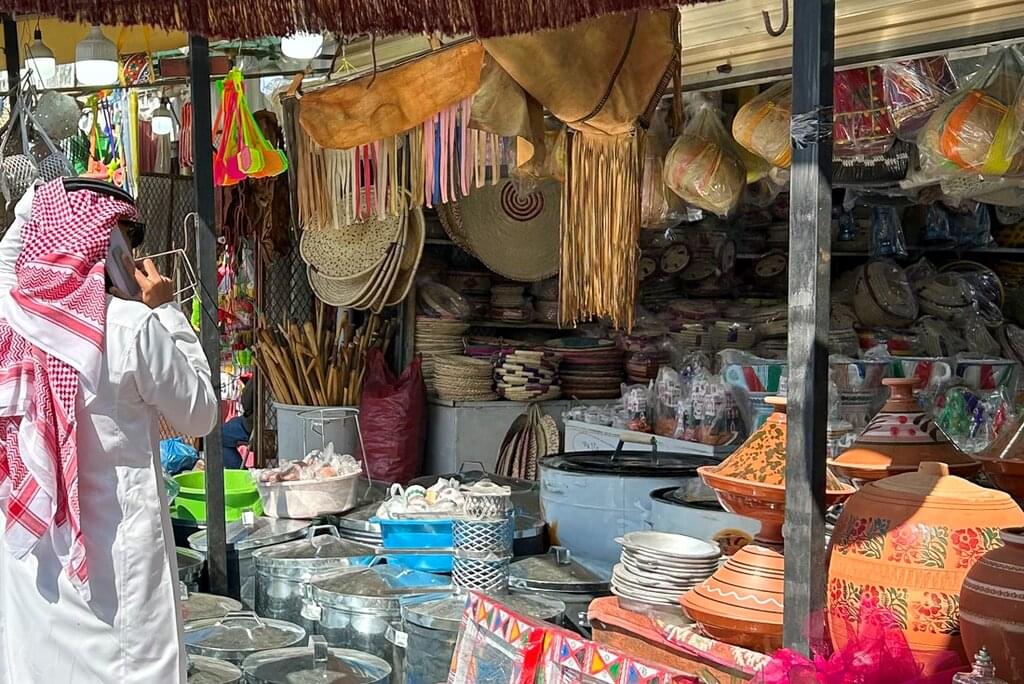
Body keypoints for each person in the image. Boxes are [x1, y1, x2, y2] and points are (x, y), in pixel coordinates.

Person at [0, 179, 219, 683]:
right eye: (121, 243)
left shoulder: (14, 321)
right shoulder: (130, 327)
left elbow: (10, 254)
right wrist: (166, 310)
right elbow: (202, 414)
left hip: (39, 565)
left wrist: (44, 199)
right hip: (117, 566)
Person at [223, 377, 254, 469]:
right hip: (274, 425)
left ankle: (240, 473)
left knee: (218, 437)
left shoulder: (260, 376)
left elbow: (246, 402)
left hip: (253, 425)